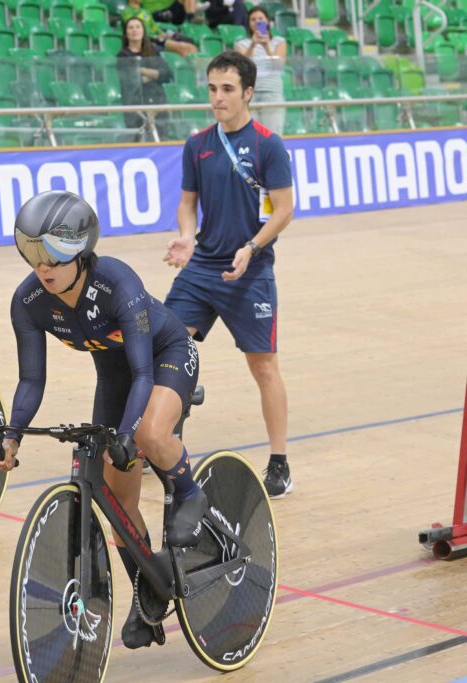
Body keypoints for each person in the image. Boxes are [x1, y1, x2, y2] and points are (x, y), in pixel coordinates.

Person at [0, 190, 207, 650]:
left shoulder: (116, 282)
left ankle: (189, 493)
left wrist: (129, 435)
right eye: (33, 255)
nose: (42, 267)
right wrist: (12, 435)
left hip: (165, 358)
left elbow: (144, 373)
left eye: (52, 255)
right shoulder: (28, 301)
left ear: (80, 251)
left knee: (148, 433)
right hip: (114, 375)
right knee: (115, 498)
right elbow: (32, 381)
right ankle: (148, 596)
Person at [163, 51, 295, 497]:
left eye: (227, 89)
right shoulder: (197, 144)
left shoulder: (267, 145)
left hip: (250, 272)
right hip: (201, 269)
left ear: (248, 93)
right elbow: (187, 202)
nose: (217, 98)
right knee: (165, 347)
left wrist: (252, 247)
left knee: (263, 368)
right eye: (212, 88)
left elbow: (285, 209)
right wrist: (186, 235)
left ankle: (279, 461)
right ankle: (160, 439)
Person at [118, 17, 173, 141]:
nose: (134, 30)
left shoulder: (153, 52)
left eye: (138, 27)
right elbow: (132, 79)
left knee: (162, 138)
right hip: (135, 106)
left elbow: (167, 74)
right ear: (126, 33)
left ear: (143, 31)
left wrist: (143, 70)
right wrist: (155, 74)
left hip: (157, 102)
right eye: (131, 27)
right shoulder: (123, 56)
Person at [235, 6, 287, 135]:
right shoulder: (241, 44)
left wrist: (266, 46)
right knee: (251, 136)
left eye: (261, 19)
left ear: (267, 21)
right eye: (253, 19)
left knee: (273, 135)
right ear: (248, 23)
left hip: (272, 93)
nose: (257, 22)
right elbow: (242, 67)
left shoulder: (279, 42)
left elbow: (279, 65)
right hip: (249, 95)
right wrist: (253, 44)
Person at [120, 0, 197, 57]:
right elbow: (133, 28)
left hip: (157, 38)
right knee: (187, 48)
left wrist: (163, 34)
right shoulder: (127, 11)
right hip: (149, 40)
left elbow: (154, 27)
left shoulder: (145, 12)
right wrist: (155, 36)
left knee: (191, 45)